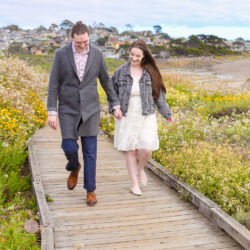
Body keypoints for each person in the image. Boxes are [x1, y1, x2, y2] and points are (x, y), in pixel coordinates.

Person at [47, 21, 122, 206]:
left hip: (90, 109)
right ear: (71, 38)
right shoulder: (61, 55)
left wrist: (115, 104)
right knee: (69, 147)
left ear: (89, 37)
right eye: (79, 42)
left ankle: (90, 190)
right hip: (68, 109)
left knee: (90, 152)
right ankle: (74, 167)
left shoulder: (96, 54)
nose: (82, 45)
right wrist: (52, 111)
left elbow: (105, 80)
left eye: (85, 42)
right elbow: (54, 83)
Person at [111, 39, 173, 196]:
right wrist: (115, 108)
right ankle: (134, 184)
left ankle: (141, 169)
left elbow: (159, 96)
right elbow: (111, 94)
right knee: (131, 149)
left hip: (146, 114)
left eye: (138, 55)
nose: (134, 58)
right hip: (127, 113)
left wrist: (167, 114)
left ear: (144, 56)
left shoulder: (151, 72)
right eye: (132, 54)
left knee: (147, 150)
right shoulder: (120, 71)